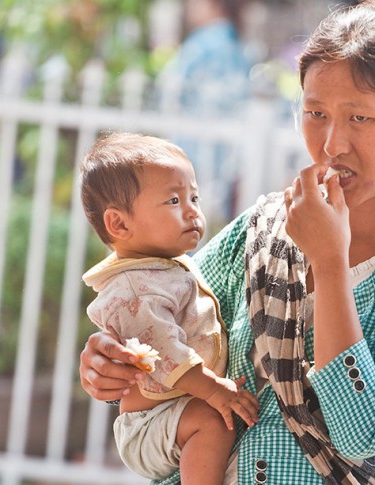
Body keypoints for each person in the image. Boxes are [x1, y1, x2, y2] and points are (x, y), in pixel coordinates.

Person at [79, 2, 375, 484]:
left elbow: (361, 437)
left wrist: (329, 262)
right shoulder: (261, 231)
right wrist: (107, 362)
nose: (332, 144)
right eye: (316, 112)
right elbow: (157, 317)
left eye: (360, 118)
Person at [80, 132, 259, 484]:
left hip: (173, 412)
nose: (193, 210)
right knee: (212, 420)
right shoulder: (133, 287)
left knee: (212, 418)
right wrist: (213, 389)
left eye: (194, 196)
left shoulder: (167, 268)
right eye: (174, 200)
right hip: (149, 425)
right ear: (119, 223)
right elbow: (162, 349)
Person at [159, 0, 252, 223]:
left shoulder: (200, 45)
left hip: (190, 149)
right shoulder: (239, 48)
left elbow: (169, 92)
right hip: (225, 158)